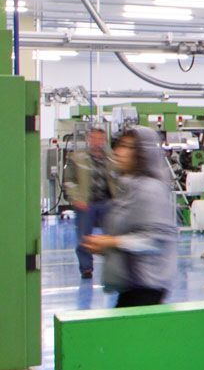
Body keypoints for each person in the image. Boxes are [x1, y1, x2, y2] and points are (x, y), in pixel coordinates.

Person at [80, 126, 179, 307]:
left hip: (146, 287)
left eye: (127, 147)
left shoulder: (150, 190)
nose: (118, 152)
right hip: (130, 286)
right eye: (119, 145)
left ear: (142, 154)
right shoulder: (128, 188)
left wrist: (111, 242)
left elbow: (154, 241)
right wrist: (106, 247)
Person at [64, 121, 115, 281]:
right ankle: (86, 268)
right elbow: (69, 180)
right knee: (83, 238)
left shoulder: (113, 159)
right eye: (94, 138)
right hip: (86, 204)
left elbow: (120, 180)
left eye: (100, 139)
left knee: (112, 237)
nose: (97, 142)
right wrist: (76, 198)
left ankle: (113, 266)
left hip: (107, 203)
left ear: (104, 140)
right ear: (88, 139)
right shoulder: (77, 158)